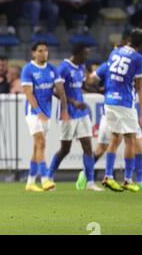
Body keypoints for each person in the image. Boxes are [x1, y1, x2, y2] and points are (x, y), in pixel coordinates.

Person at [89, 61, 142, 191]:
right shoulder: (123, 66)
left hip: (121, 110)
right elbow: (91, 80)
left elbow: (92, 79)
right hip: (121, 110)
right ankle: (87, 173)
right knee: (103, 147)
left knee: (136, 145)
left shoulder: (120, 68)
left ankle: (136, 180)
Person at [46, 43, 103, 191]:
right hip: (68, 113)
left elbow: (81, 85)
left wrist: (100, 91)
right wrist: (73, 102)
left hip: (82, 113)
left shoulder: (80, 68)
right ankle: (49, 176)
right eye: (85, 54)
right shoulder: (64, 68)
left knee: (87, 146)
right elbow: (55, 91)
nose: (87, 57)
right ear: (77, 54)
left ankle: (90, 182)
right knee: (65, 149)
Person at [97, 29, 142, 192]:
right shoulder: (139, 58)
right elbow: (139, 87)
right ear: (141, 44)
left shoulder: (115, 52)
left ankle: (108, 176)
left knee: (114, 138)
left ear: (129, 40)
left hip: (110, 100)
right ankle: (127, 179)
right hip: (125, 102)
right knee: (130, 140)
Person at [21, 41, 69, 192]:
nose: (44, 53)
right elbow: (28, 92)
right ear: (33, 53)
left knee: (37, 147)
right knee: (41, 142)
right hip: (33, 113)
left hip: (46, 113)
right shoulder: (28, 69)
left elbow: (60, 90)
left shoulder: (52, 69)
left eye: (46, 50)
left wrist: (64, 108)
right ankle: (45, 179)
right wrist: (37, 111)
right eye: (40, 51)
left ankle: (30, 182)